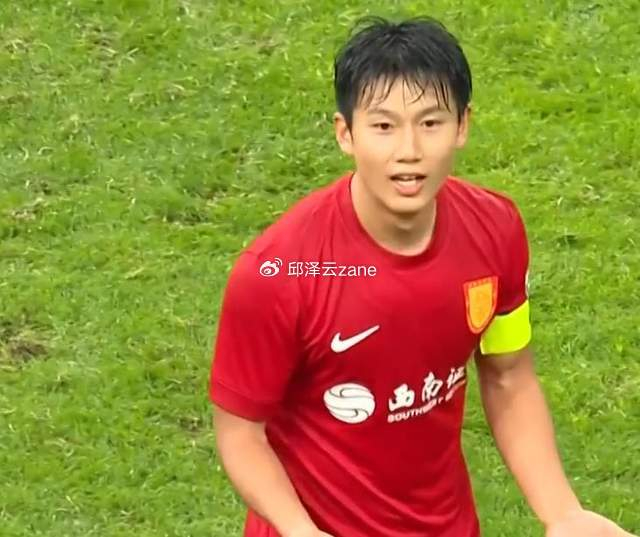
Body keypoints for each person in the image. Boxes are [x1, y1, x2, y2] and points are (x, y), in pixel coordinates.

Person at [209, 15, 636, 537]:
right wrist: (302, 531)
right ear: (345, 133)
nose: (408, 150)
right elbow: (240, 434)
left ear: (463, 126)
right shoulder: (279, 273)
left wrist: (563, 513)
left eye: (430, 123)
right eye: (384, 127)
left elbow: (508, 375)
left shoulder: (496, 230)